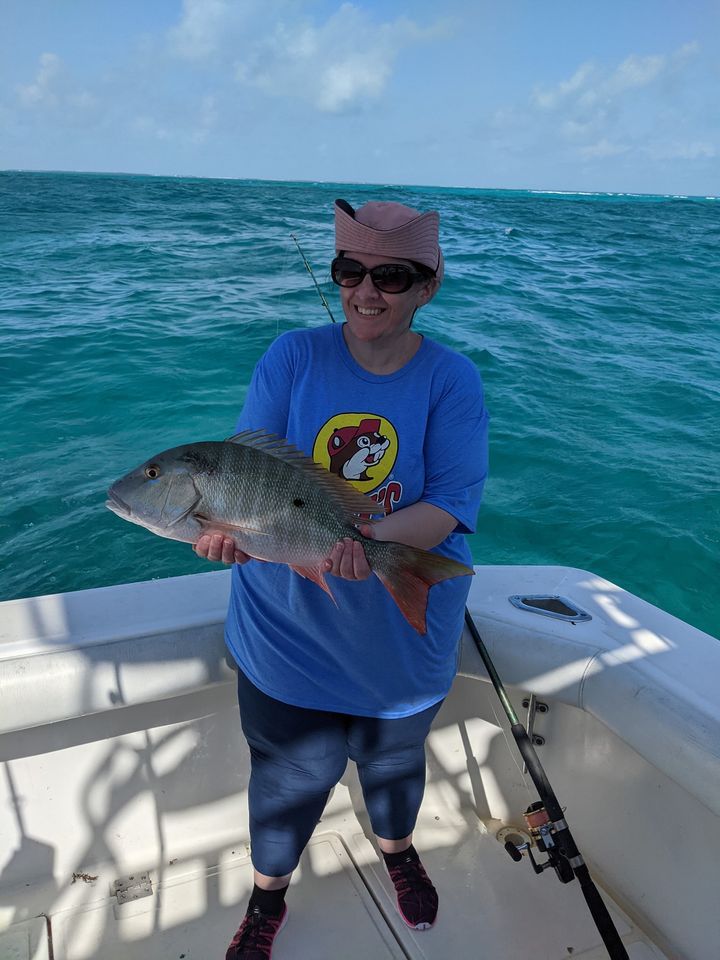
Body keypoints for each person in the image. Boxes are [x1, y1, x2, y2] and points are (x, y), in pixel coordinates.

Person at [195, 197, 489, 959]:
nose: (367, 290)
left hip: (399, 640)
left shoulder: (451, 380)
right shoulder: (292, 355)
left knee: (393, 766)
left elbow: (452, 503)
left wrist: (363, 542)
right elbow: (241, 471)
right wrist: (221, 532)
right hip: (284, 635)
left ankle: (396, 849)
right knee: (288, 779)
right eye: (350, 270)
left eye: (392, 275)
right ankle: (268, 897)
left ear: (429, 285)